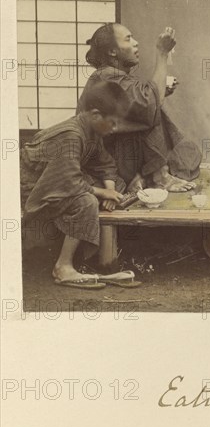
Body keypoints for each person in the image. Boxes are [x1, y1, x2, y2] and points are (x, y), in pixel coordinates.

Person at [21, 81, 140, 289]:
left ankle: (90, 260)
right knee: (86, 201)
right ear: (95, 115)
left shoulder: (92, 131)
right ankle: (63, 267)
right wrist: (103, 193)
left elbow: (106, 164)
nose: (115, 129)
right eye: (112, 123)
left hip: (59, 178)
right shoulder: (71, 135)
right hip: (31, 185)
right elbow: (68, 181)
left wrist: (110, 190)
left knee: (116, 184)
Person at [78, 23, 201, 193]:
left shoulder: (109, 74)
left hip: (116, 154)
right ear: (112, 51)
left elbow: (141, 104)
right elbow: (148, 104)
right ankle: (159, 177)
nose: (136, 43)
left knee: (152, 109)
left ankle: (144, 176)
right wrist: (162, 53)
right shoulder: (106, 75)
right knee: (151, 109)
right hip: (104, 164)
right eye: (128, 39)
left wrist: (160, 92)